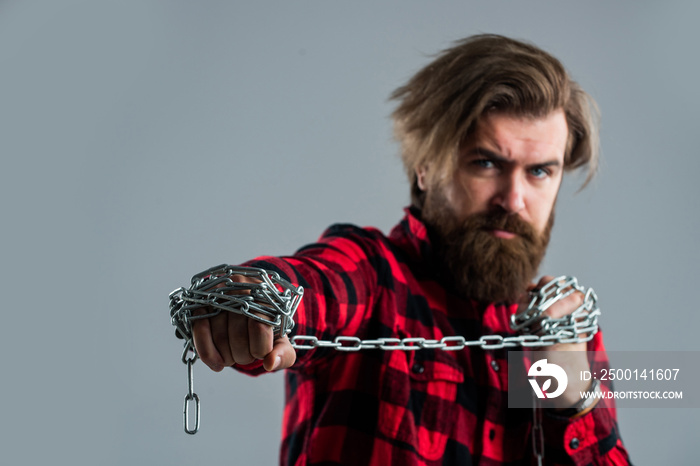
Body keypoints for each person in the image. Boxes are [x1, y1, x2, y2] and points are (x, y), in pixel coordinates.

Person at [189, 34, 631, 465]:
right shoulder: (373, 276)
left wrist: (575, 400)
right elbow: (314, 286)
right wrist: (251, 301)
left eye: (539, 172)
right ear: (425, 167)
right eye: (486, 163)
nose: (513, 200)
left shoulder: (564, 329)